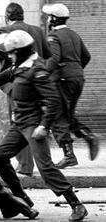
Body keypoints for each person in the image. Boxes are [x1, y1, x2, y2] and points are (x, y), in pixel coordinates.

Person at [0, 30, 88, 222]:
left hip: (33, 126)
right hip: (19, 125)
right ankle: (21, 197)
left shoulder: (37, 70)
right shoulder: (21, 66)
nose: (9, 55)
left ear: (22, 51)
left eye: (12, 52)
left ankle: (77, 205)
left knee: (46, 169)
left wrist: (44, 125)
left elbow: (54, 100)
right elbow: (3, 76)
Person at [0, 2, 52, 177]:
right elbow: (49, 57)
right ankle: (41, 165)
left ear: (7, 15)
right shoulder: (37, 30)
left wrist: (7, 86)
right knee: (35, 123)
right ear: (22, 15)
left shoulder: (4, 31)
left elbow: (3, 62)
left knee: (19, 123)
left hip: (17, 85)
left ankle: (25, 166)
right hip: (38, 85)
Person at [42, 3, 99, 169]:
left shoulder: (53, 36)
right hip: (77, 79)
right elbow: (86, 56)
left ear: (53, 19)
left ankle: (69, 155)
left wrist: (42, 76)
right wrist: (75, 70)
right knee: (68, 114)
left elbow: (53, 59)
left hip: (62, 80)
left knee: (59, 116)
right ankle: (88, 136)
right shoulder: (74, 34)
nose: (47, 20)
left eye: (48, 17)